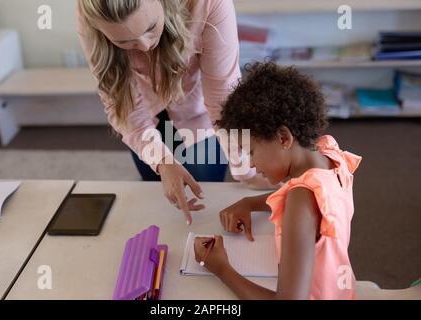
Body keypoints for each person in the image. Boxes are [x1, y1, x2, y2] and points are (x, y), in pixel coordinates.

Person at [76, 0, 275, 226]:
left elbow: (222, 99)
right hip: (145, 112)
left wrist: (246, 168)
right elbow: (122, 103)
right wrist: (161, 161)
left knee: (205, 200)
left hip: (200, 114)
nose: (144, 45)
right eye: (124, 42)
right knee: (159, 201)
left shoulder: (208, 4)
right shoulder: (91, 11)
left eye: (151, 28)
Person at [194, 61, 362, 300]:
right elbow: (314, 203)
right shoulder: (328, 155)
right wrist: (251, 202)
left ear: (283, 137)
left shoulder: (301, 199)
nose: (251, 164)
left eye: (251, 151)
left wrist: (221, 268)